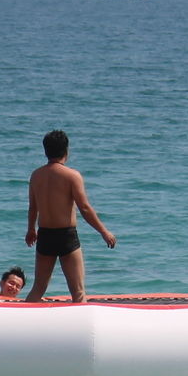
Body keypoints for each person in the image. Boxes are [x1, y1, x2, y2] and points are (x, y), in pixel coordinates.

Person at [25, 129, 116, 303]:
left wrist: (31, 229)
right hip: (66, 236)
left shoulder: (36, 175)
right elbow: (85, 208)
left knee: (38, 287)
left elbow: (32, 207)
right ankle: (82, 329)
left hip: (44, 234)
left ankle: (20, 323)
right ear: (66, 151)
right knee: (78, 292)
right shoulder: (72, 175)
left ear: (46, 151)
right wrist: (104, 232)